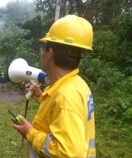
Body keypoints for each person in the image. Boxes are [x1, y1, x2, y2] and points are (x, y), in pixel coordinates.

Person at [12, 15, 96, 158]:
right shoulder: (77, 84)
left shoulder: (67, 95)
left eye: (44, 48)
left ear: (49, 53)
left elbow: (68, 153)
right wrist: (40, 96)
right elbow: (59, 112)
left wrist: (29, 132)